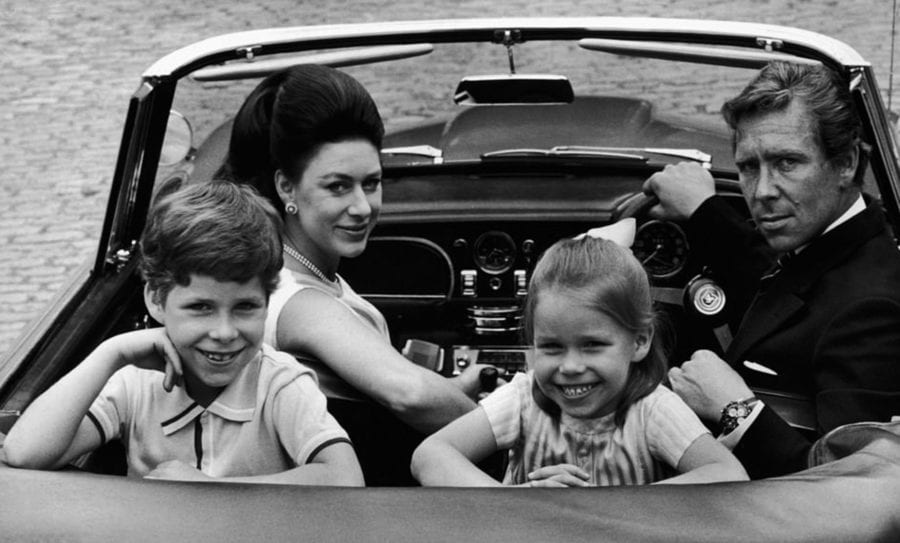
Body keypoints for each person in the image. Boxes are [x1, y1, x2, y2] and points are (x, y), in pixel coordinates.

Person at [217, 64, 483, 485]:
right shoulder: (294, 298)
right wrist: (510, 432)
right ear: (286, 187)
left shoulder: (300, 270)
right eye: (337, 186)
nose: (362, 207)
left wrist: (458, 388)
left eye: (371, 183)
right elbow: (409, 394)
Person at [2, 181, 363, 486]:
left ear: (267, 302)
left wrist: (209, 490)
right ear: (157, 300)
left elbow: (345, 478)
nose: (224, 332)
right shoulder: (135, 383)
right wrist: (111, 352)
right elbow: (24, 453)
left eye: (245, 307)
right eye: (201, 308)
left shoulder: (280, 383)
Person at [643, 60, 900, 479]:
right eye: (748, 167)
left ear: (848, 162)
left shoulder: (872, 310)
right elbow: (781, 279)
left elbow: (853, 488)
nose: (761, 192)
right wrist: (705, 211)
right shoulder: (825, 245)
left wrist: (737, 411)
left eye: (786, 163)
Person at [410, 231, 748, 486]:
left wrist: (605, 506)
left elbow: (728, 474)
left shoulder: (653, 410)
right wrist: (514, 498)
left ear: (639, 341)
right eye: (551, 347)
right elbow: (430, 455)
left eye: (592, 346)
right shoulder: (522, 399)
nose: (569, 367)